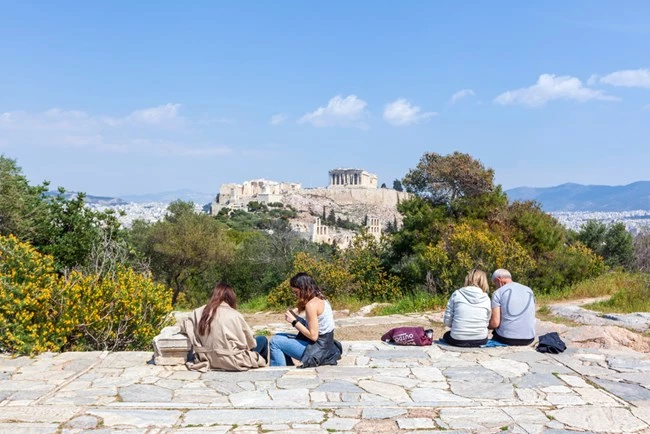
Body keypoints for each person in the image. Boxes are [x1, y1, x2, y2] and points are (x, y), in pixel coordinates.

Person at [181, 282, 268, 371]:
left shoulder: (198, 312)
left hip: (205, 358)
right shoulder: (235, 315)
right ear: (231, 297)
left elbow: (185, 326)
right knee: (262, 340)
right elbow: (250, 343)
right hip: (231, 360)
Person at [269, 272, 342, 367]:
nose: (295, 295)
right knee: (279, 336)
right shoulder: (321, 298)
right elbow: (315, 325)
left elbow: (313, 336)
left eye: (296, 292)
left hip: (317, 352)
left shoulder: (311, 305)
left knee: (275, 342)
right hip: (326, 346)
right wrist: (296, 317)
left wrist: (294, 322)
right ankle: (287, 366)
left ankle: (278, 372)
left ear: (303, 289)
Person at [442, 269, 492, 347]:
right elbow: (486, 321)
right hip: (481, 339)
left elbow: (447, 321)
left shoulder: (457, 294)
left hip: (458, 339)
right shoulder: (486, 298)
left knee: (446, 335)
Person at [489, 269, 536, 346]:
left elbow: (495, 323)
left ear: (499, 280)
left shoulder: (498, 292)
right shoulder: (529, 290)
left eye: (495, 284)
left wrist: (486, 326)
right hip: (529, 338)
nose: (496, 287)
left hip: (507, 339)